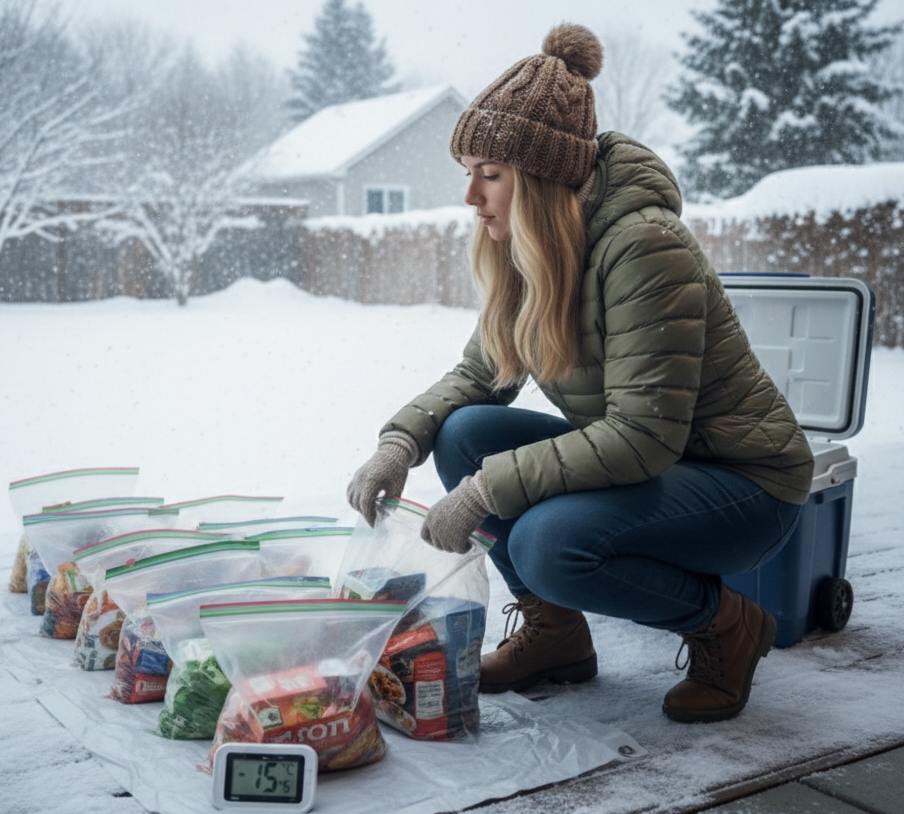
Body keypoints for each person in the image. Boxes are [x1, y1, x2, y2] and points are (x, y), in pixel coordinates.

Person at [347, 23, 814, 724]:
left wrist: (484, 492)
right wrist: (398, 443)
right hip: (656, 467)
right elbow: (478, 376)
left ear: (540, 178)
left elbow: (643, 439)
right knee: (463, 431)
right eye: (467, 172)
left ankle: (725, 626)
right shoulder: (533, 247)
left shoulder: (644, 248)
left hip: (743, 484)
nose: (472, 196)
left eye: (491, 174)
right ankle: (556, 635)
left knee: (548, 543)